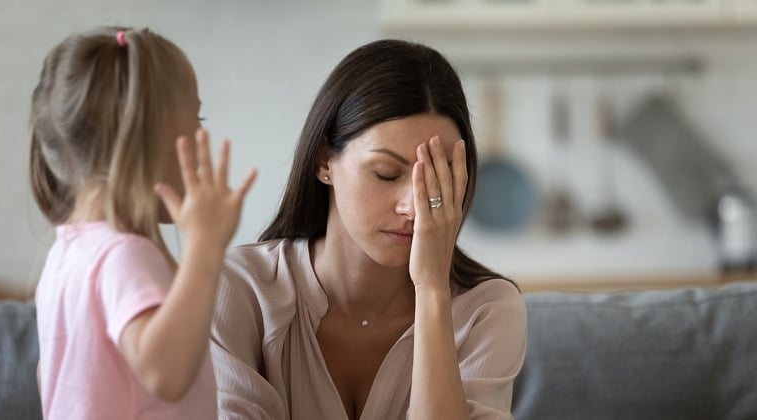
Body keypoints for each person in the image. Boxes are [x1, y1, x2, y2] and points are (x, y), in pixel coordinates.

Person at [210, 39, 527, 419]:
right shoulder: (237, 289)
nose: (413, 206)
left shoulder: (488, 310)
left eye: (436, 179)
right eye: (386, 173)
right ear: (324, 161)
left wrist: (432, 291)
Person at [29, 26, 256, 419]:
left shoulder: (66, 254)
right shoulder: (125, 254)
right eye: (196, 116)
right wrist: (205, 246)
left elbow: (48, 375)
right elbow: (165, 373)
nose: (202, 132)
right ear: (148, 138)